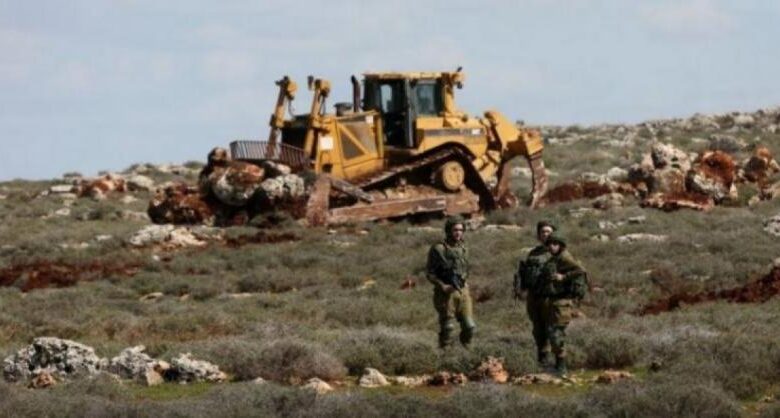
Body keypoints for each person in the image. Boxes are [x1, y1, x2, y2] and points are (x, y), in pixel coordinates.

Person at [542, 234, 588, 376]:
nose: (552, 246)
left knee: (556, 333)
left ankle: (562, 367)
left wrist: (564, 277)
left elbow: (581, 270)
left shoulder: (565, 257)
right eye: (549, 244)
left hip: (562, 302)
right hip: (553, 301)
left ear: (560, 245)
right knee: (552, 332)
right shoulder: (554, 259)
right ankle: (558, 364)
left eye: (555, 244)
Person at [426, 216, 475, 349]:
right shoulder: (438, 249)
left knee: (470, 326)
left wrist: (464, 281)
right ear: (448, 230)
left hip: (463, 291)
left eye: (461, 230)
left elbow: (466, 268)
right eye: (455, 230)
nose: (458, 233)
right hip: (445, 294)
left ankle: (466, 349)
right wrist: (443, 285)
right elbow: (430, 273)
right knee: (448, 327)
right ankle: (445, 352)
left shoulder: (464, 248)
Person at [514, 221, 556, 367]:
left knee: (551, 328)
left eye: (548, 232)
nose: (545, 234)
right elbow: (525, 273)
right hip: (534, 296)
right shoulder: (534, 253)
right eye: (543, 232)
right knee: (538, 329)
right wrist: (521, 288)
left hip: (550, 296)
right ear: (538, 235)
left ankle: (557, 361)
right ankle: (542, 360)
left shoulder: (558, 252)